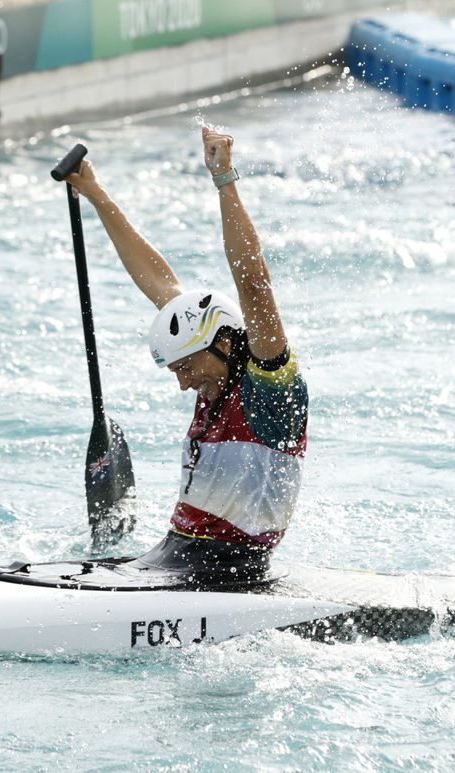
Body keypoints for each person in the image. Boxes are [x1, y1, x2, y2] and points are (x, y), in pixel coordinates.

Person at [66, 126, 308, 586]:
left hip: (229, 574)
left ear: (221, 342)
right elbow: (159, 282)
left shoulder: (271, 390)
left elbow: (253, 281)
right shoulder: (210, 362)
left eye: (185, 368)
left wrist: (224, 179)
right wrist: (94, 192)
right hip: (174, 557)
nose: (182, 383)